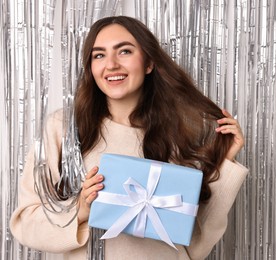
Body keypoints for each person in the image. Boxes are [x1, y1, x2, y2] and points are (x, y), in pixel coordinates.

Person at [10, 16, 248, 259]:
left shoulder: (181, 132)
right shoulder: (63, 129)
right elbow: (25, 223)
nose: (111, 64)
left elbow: (195, 244)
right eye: (99, 55)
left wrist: (224, 163)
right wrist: (80, 210)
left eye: (124, 51)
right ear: (91, 68)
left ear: (149, 62)